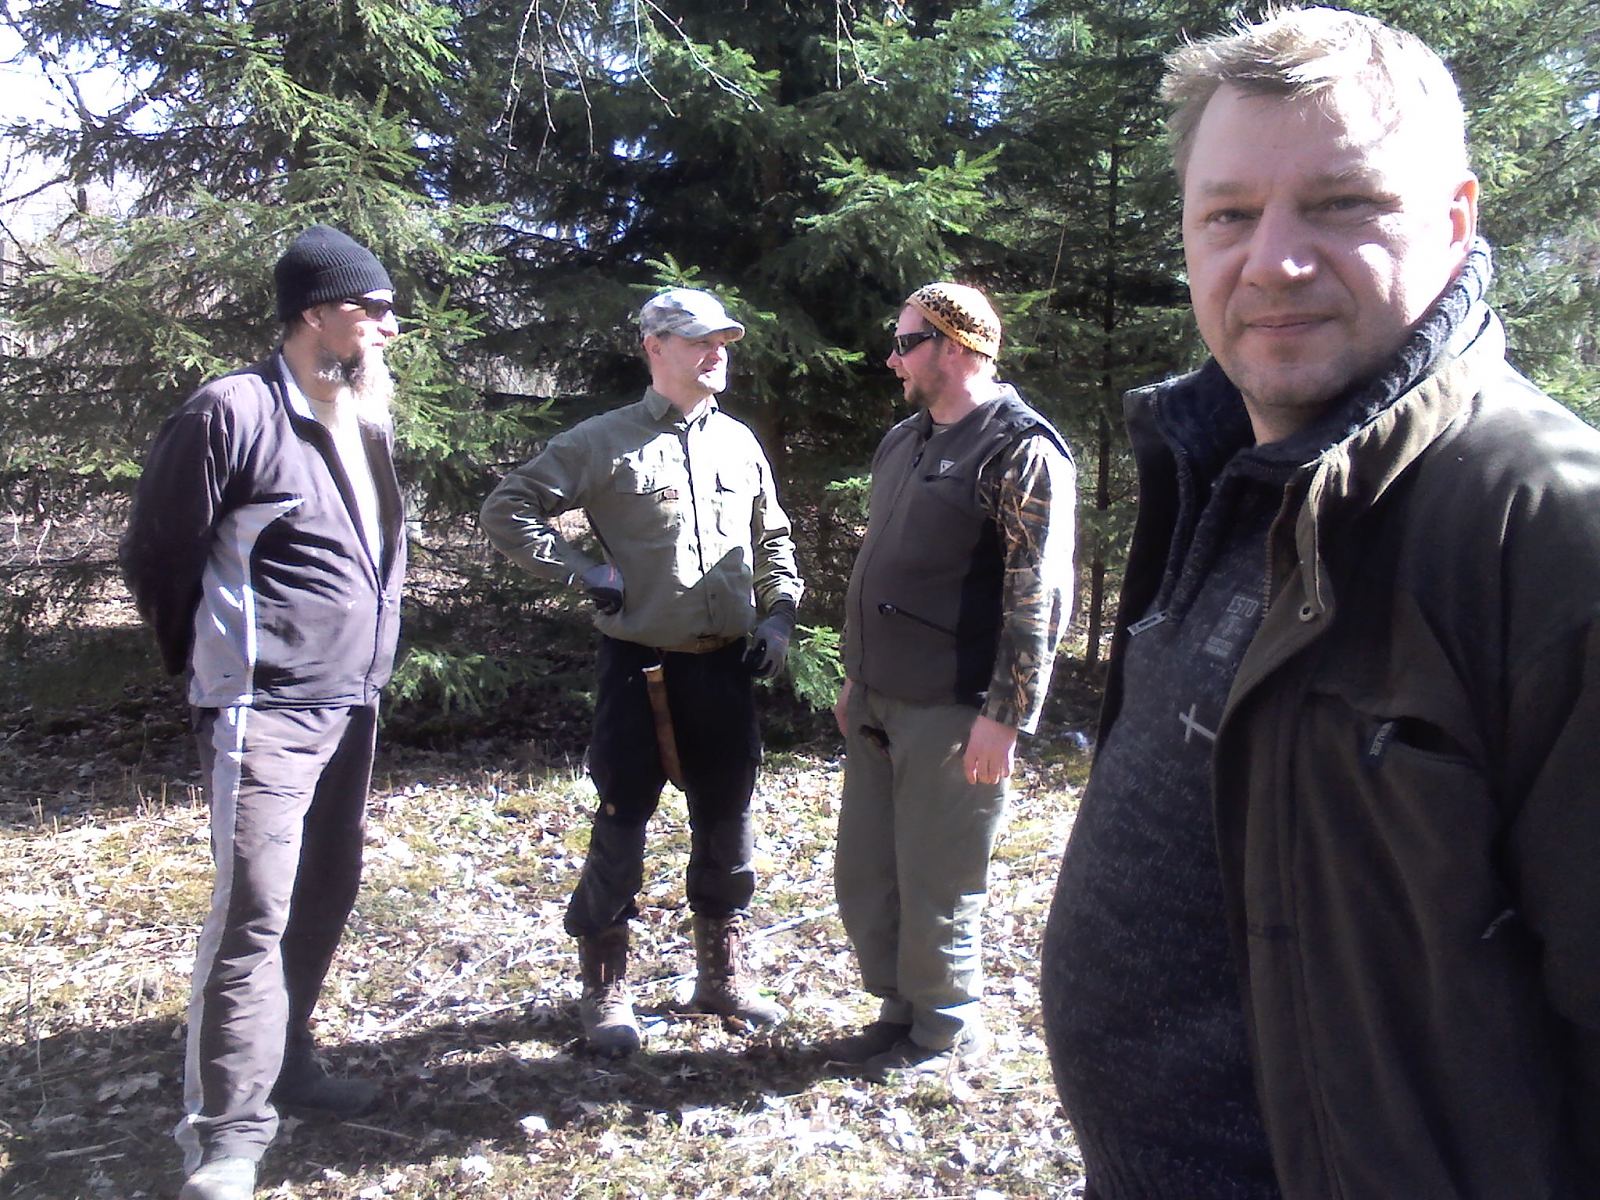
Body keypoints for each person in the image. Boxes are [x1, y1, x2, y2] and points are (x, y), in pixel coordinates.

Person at [1041, 8, 1600, 1198]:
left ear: (1455, 219)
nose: (1273, 260)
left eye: (1342, 204)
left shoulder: (1548, 532)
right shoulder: (1218, 468)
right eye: (1228, 214)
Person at [121, 225, 406, 1200]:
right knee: (254, 910)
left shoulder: (363, 419)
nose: (389, 325)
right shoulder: (230, 412)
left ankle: (288, 1064)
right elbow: (157, 556)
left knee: (324, 891)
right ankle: (226, 1140)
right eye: (372, 308)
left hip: (351, 703)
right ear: (315, 313)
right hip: (262, 707)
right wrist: (214, 668)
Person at [481, 287, 803, 1057]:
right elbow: (507, 506)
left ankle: (720, 977)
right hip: (639, 670)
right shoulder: (604, 441)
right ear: (654, 347)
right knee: (622, 824)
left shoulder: (739, 443)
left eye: (723, 341)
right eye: (699, 341)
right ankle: (605, 988)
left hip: (726, 668)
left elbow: (774, 539)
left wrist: (779, 615)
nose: (716, 354)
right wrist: (582, 570)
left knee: (728, 823)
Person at [827, 282, 1076, 1081]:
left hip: (955, 709)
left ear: (956, 348)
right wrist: (856, 676)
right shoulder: (905, 439)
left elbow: (1038, 594)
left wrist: (1007, 714)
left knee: (941, 878)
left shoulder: (1019, 449)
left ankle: (946, 1030)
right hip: (879, 696)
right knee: (869, 872)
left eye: (906, 342)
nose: (892, 358)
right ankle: (900, 1012)